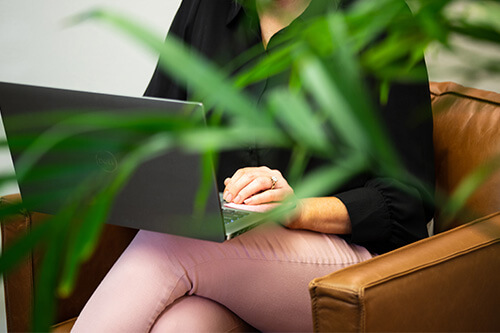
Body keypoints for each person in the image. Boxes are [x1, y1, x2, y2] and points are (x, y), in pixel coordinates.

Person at [72, 0, 435, 331]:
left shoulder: (377, 16)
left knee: (174, 239)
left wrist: (298, 210)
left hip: (352, 262)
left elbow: (411, 199)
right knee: (182, 326)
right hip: (233, 257)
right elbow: (156, 133)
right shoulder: (204, 9)